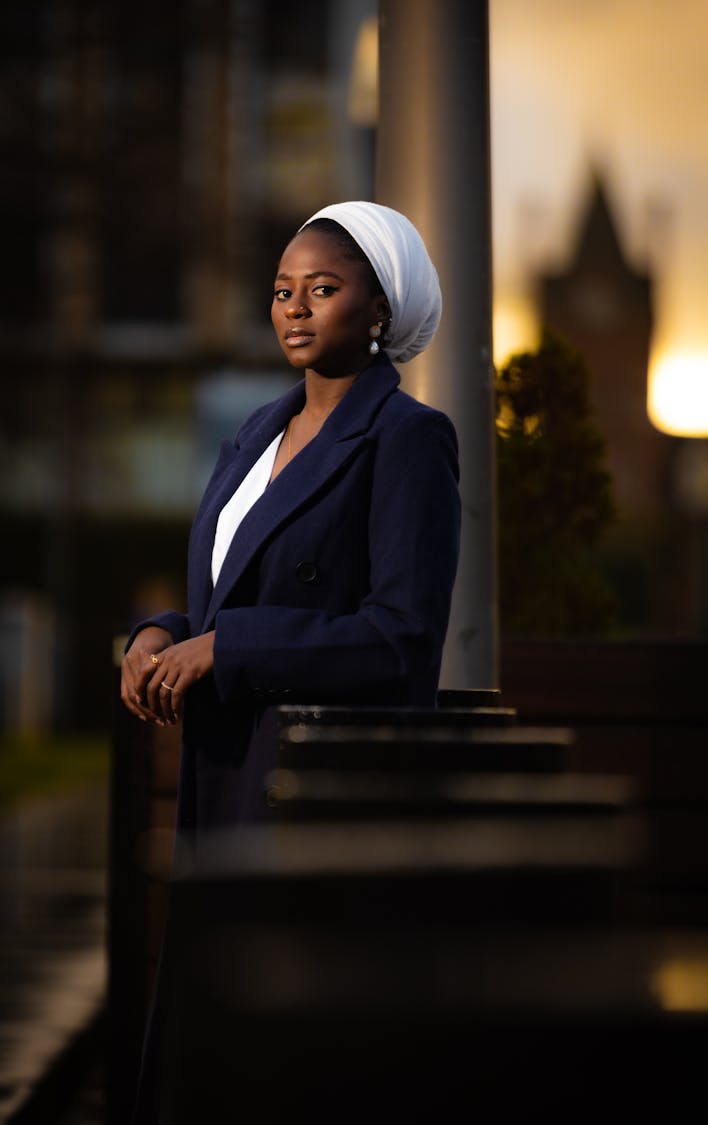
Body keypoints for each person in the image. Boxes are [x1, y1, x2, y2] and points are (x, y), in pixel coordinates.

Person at [120, 200, 461, 838]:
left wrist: (226, 647)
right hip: (227, 765)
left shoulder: (408, 438)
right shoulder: (254, 436)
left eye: (322, 289)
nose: (294, 308)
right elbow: (240, 594)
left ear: (380, 310)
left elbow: (402, 637)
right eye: (282, 290)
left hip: (321, 789)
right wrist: (163, 634)